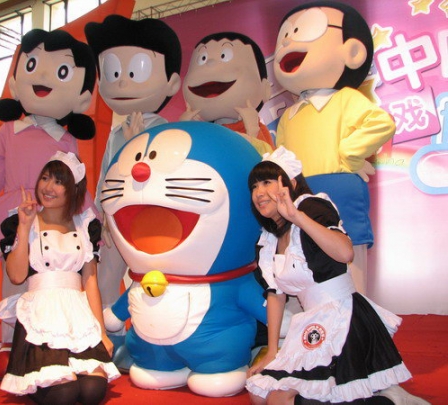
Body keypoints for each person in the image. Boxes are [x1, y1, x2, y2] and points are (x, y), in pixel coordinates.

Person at [0, 28, 98, 379]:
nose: (42, 77)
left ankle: (56, 339)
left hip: (54, 221)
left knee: (49, 282)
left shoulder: (67, 139)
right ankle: (8, 341)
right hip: (18, 216)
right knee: (14, 278)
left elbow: (74, 184)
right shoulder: (7, 132)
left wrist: (91, 217)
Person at [246, 147, 426, 405]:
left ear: (291, 183)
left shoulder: (311, 206)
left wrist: (296, 216)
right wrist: (272, 351)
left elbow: (345, 253)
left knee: (279, 400)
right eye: (254, 187)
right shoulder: (268, 239)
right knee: (258, 393)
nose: (259, 192)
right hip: (311, 323)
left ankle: (386, 400)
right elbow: (276, 295)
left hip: (343, 318)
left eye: (266, 182)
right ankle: (377, 396)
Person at [273, 1, 396, 294]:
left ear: (352, 52)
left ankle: (357, 315)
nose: (288, 42)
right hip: (300, 193)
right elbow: (282, 158)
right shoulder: (289, 115)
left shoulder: (345, 99)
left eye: (304, 31)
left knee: (349, 254)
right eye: (285, 35)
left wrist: (349, 154)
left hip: (339, 185)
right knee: (302, 258)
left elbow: (381, 123)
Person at [0, 151, 120, 405]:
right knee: (64, 393)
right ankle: (32, 378)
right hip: (41, 315)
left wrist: (101, 332)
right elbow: (17, 276)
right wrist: (24, 227)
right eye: (45, 178)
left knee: (93, 391)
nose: (48, 187)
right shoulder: (22, 222)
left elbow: (90, 282)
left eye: (58, 182)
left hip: (77, 315)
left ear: (73, 189)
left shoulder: (85, 225)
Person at [84, 15, 182, 311]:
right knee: (106, 279)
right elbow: (105, 178)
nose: (122, 81)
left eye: (135, 71)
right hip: (115, 219)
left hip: (151, 220)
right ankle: (109, 332)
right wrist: (100, 218)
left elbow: (161, 178)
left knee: (150, 282)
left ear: (172, 83)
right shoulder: (116, 133)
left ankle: (148, 331)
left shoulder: (167, 131)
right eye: (113, 72)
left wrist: (136, 143)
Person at [180, 32, 274, 154]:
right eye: (203, 58)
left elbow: (270, 160)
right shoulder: (203, 131)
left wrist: (252, 131)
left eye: (224, 55)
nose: (210, 63)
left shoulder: (257, 129)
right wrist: (184, 129)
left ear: (265, 89)